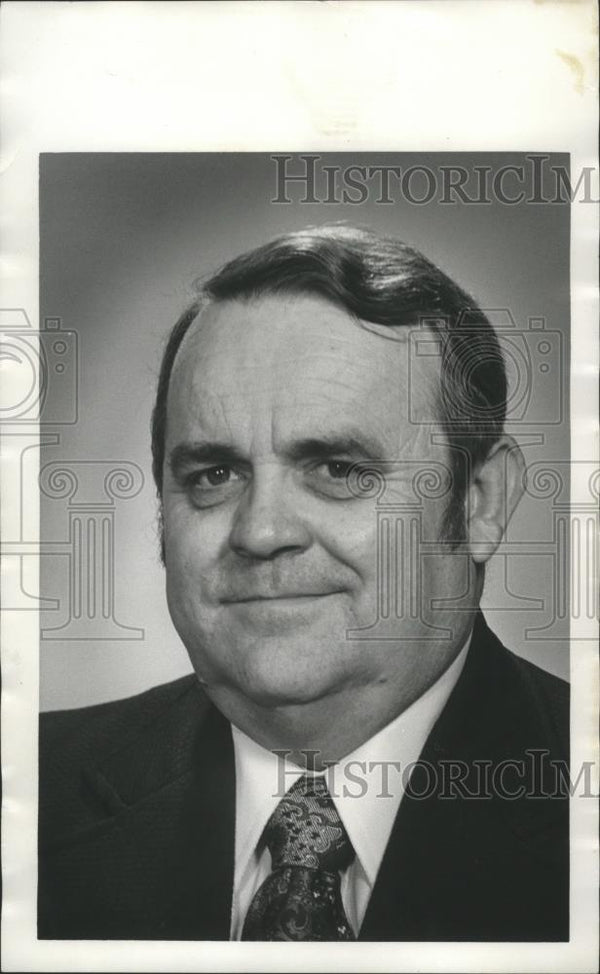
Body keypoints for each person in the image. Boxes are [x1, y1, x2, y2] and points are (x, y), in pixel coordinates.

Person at [38, 225, 569, 942]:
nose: (260, 532)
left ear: (479, 501)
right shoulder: (33, 795)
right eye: (213, 475)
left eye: (339, 470)